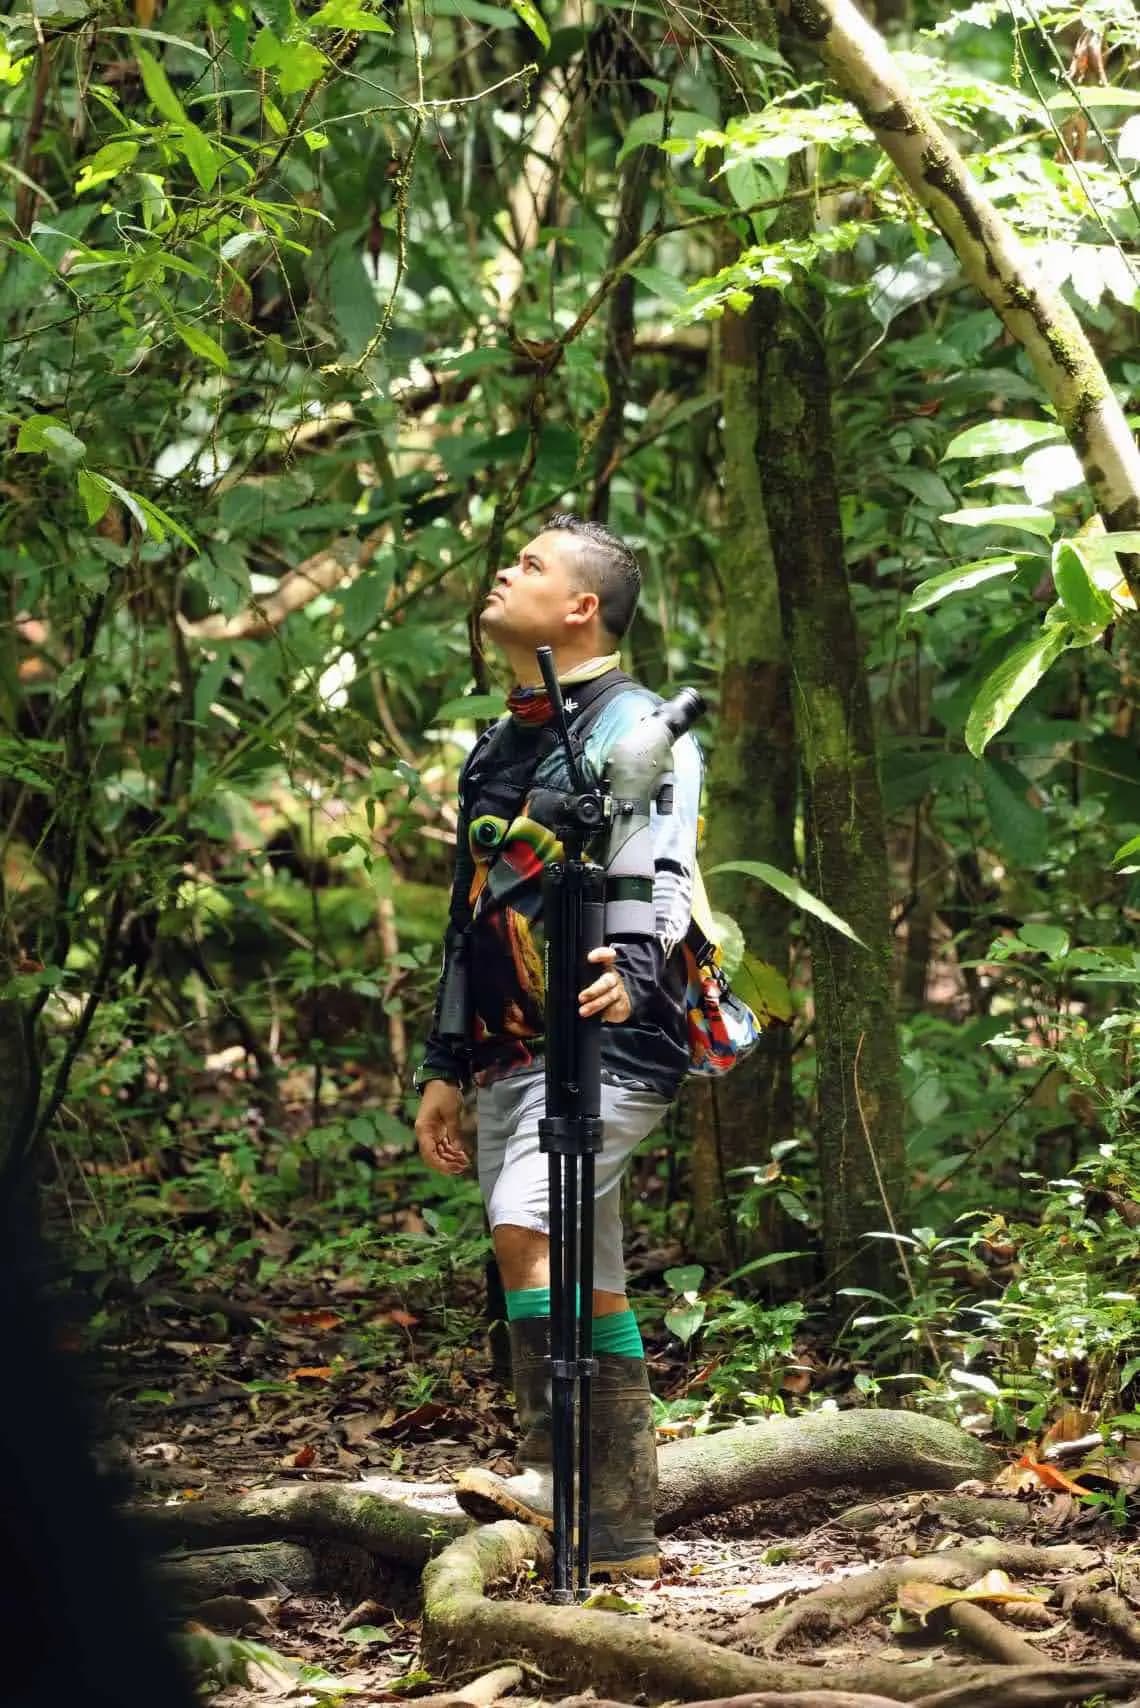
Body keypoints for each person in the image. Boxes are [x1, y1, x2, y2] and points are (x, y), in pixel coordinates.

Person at [413, 513, 702, 1578]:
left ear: (582, 606)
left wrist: (629, 974)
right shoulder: (504, 739)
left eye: (530, 564)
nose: (505, 568)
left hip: (607, 1039)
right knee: (597, 1275)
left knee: (526, 1218)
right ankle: (620, 1532)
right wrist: (444, 1064)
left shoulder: (640, 724)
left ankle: (550, 1472)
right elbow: (469, 908)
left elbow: (657, 867)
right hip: (505, 1046)